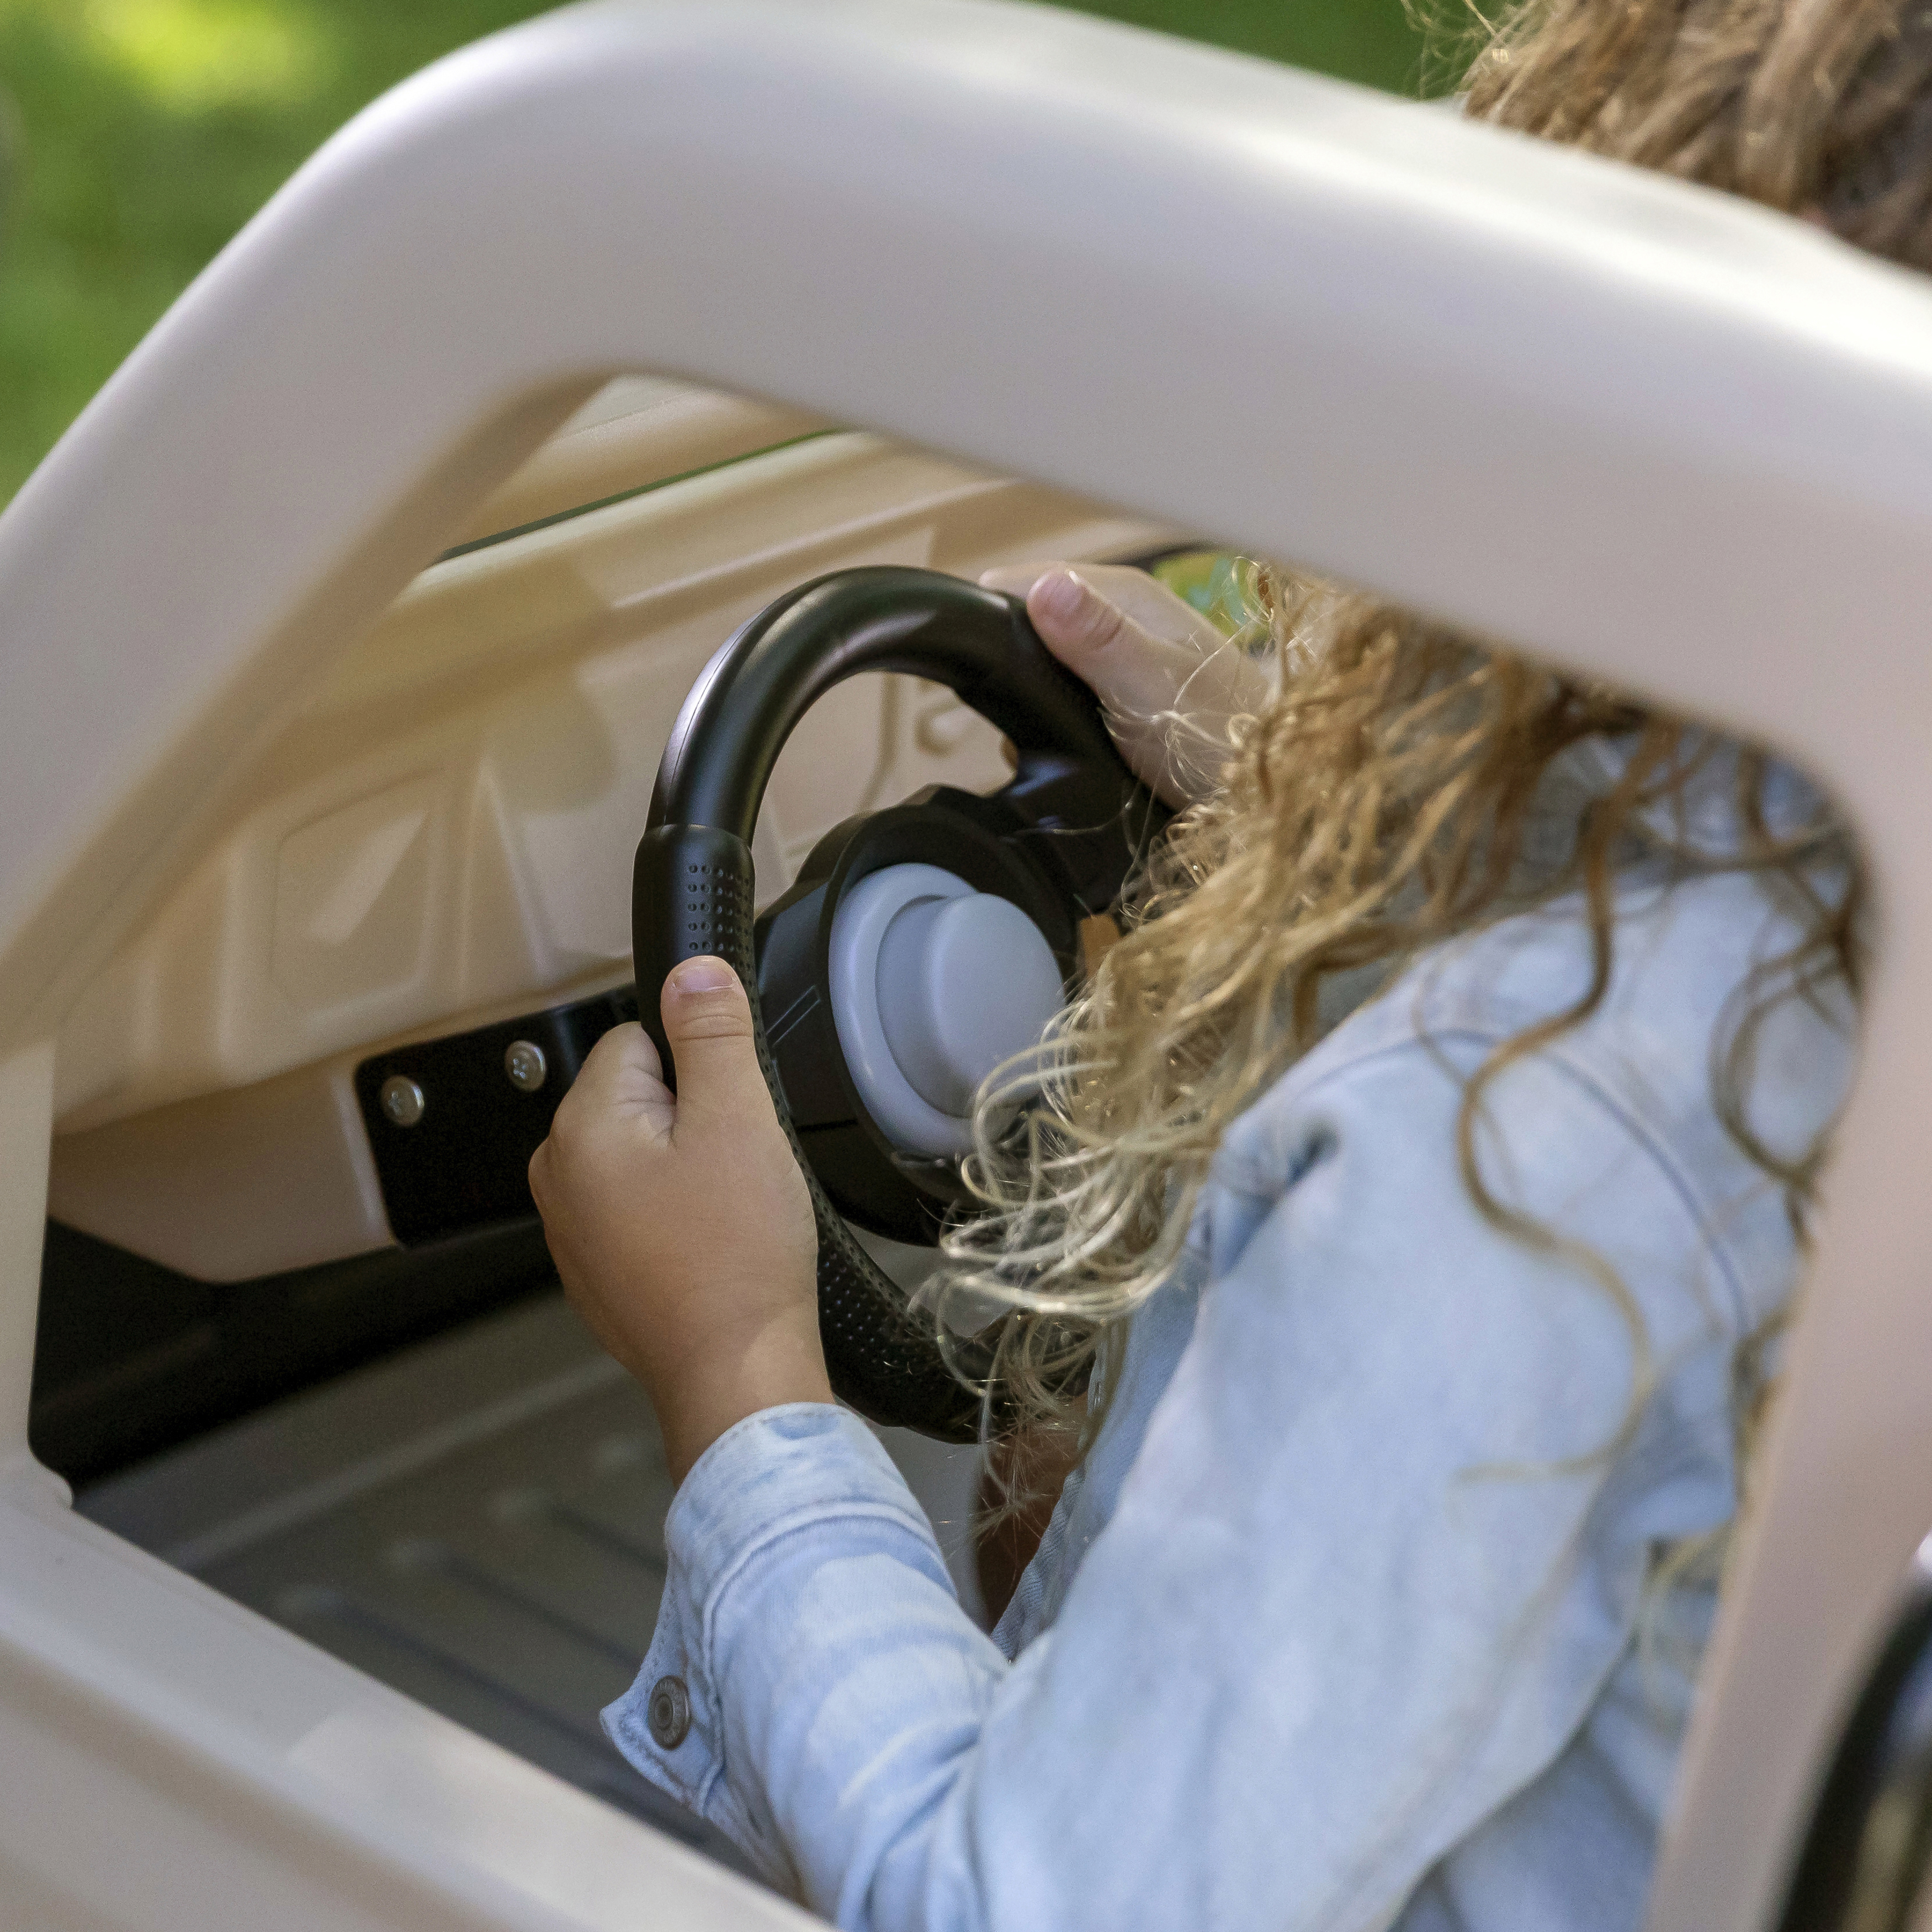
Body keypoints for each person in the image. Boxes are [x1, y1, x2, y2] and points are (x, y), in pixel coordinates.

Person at [526, 1, 1899, 1923]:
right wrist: (1317, 808)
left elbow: (1018, 1904)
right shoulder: (1837, 965)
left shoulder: (1504, 1158)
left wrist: (742, 1369)